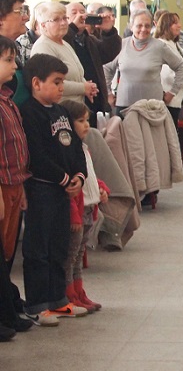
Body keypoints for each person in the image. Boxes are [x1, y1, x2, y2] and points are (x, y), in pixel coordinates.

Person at [19, 54, 89, 325]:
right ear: (36, 83)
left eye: (63, 82)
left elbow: (75, 148)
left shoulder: (61, 112)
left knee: (59, 245)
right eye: (57, 82)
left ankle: (58, 299)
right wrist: (62, 178)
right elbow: (35, 154)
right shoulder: (29, 113)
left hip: (64, 191)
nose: (62, 87)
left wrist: (79, 177)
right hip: (41, 190)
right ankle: (37, 304)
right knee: (39, 248)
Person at [59, 100, 109, 313]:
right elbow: (71, 187)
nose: (86, 125)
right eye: (80, 121)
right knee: (70, 257)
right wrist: (74, 216)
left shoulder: (84, 148)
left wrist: (101, 188)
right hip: (77, 214)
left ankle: (79, 292)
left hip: (89, 208)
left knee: (79, 254)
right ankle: (68, 294)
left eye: (87, 120)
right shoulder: (68, 152)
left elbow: (90, 177)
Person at [0, 35, 34, 336]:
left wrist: (20, 186)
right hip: (1, 187)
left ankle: (7, 309)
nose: (15, 66)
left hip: (14, 183)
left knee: (8, 250)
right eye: (9, 60)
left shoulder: (7, 99)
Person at [103, 9, 183, 112]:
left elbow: (181, 67)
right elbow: (106, 69)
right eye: (139, 25)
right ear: (131, 26)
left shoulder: (159, 46)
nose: (143, 29)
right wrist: (108, 93)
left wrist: (172, 92)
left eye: (147, 26)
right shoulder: (121, 45)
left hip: (152, 108)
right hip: (124, 106)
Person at [30, 2, 99, 106]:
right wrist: (83, 88)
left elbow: (78, 74)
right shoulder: (43, 46)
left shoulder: (65, 43)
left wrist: (89, 87)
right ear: (43, 25)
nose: (63, 23)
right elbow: (51, 83)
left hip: (77, 108)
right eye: (56, 19)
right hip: (60, 109)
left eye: (64, 18)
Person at [64, 2, 121, 120]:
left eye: (82, 12)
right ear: (66, 19)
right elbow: (65, 39)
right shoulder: (62, 40)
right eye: (74, 13)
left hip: (96, 100)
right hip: (73, 101)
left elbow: (109, 53)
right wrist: (73, 27)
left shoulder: (90, 40)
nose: (80, 15)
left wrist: (108, 31)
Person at [154, 11, 183, 128]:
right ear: (166, 26)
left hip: (177, 100)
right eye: (175, 23)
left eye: (179, 22)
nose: (179, 26)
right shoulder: (162, 45)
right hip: (168, 99)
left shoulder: (175, 45)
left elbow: (182, 69)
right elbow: (168, 75)